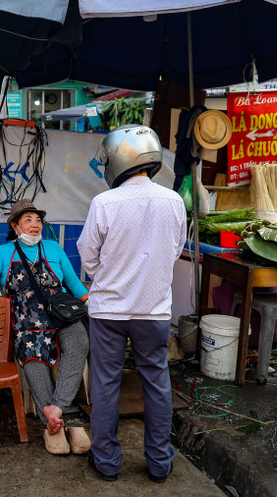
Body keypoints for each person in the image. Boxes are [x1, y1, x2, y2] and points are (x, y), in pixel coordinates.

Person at [77, 125, 187, 483]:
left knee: (106, 384)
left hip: (108, 310)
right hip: (153, 311)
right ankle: (159, 464)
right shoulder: (173, 201)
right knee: (156, 382)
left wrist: (107, 277)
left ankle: (106, 463)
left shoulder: (104, 203)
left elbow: (87, 254)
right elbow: (174, 250)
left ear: (119, 160)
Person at [0, 198, 91, 455]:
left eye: (38, 220)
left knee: (79, 342)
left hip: (60, 315)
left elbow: (74, 283)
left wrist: (90, 301)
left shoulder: (54, 248)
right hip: (27, 321)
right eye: (28, 220)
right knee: (33, 358)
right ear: (15, 225)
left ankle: (55, 412)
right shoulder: (3, 252)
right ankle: (57, 425)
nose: (35, 225)